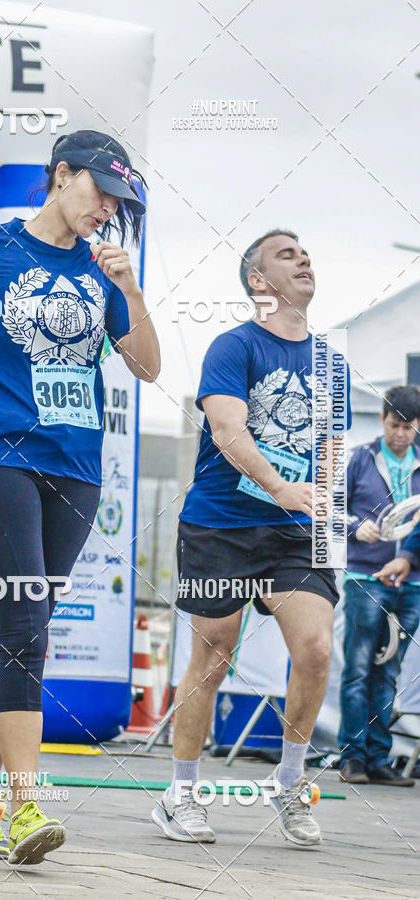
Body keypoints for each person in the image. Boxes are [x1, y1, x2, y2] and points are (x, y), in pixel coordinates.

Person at [0, 129, 160, 865]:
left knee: (21, 629)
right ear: (62, 175)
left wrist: (130, 289)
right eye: (99, 191)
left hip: (76, 468)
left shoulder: (102, 271)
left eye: (119, 202)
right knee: (22, 613)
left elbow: (147, 367)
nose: (106, 210)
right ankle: (25, 808)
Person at [151, 229, 350, 848]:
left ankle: (291, 787)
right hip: (221, 522)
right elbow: (229, 430)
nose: (305, 259)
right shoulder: (232, 346)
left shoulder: (331, 363)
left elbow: (330, 450)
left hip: (295, 533)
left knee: (315, 649)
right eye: (288, 255)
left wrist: (326, 499)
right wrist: (280, 486)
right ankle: (181, 794)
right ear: (258, 281)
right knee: (213, 654)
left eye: (307, 253)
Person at [339, 386, 420, 787]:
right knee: (356, 669)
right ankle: (352, 757)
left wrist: (409, 559)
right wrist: (358, 527)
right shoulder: (362, 458)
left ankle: (378, 758)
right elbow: (334, 508)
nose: (400, 434)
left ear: (417, 425)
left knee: (388, 671)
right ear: (383, 420)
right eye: (394, 425)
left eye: (407, 427)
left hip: (411, 582)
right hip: (365, 577)